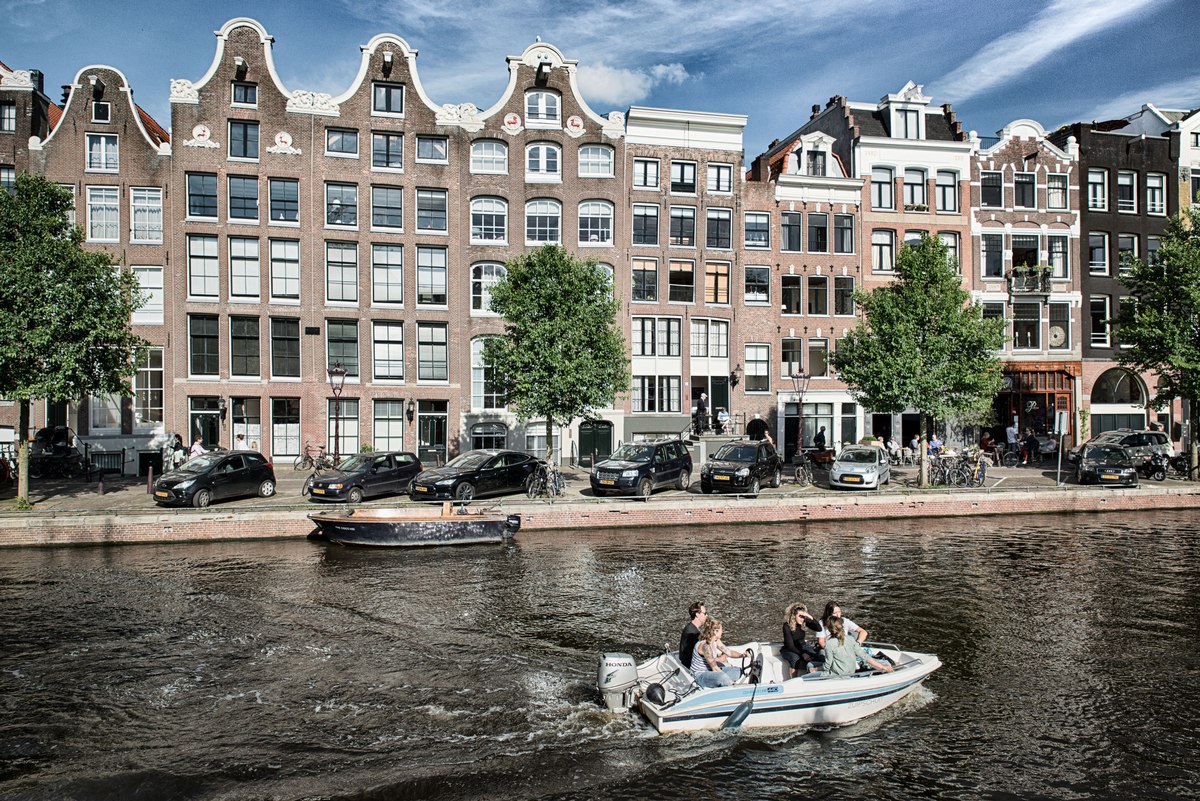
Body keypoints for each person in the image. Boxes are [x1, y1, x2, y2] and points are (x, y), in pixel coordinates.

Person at [821, 617, 893, 678]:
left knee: (810, 672)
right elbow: (864, 656)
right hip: (851, 673)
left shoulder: (829, 643)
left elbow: (827, 665)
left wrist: (816, 669)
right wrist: (882, 667)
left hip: (836, 675)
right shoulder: (850, 639)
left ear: (829, 629)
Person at [690, 617, 746, 688]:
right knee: (723, 677)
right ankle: (727, 685)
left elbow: (729, 652)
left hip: (710, 670)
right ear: (716, 631)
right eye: (721, 630)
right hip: (700, 675)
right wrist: (730, 682)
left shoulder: (716, 641)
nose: (722, 631)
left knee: (738, 671)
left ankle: (723, 682)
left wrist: (742, 655)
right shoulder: (705, 646)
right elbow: (715, 668)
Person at [781, 603, 822, 678]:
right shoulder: (786, 626)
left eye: (803, 617)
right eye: (800, 616)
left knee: (816, 655)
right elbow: (790, 646)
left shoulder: (804, 622)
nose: (802, 619)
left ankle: (814, 677)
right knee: (795, 658)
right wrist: (803, 654)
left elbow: (819, 628)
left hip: (802, 646)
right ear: (794, 616)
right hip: (789, 649)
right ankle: (794, 680)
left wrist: (809, 616)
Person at [678, 601, 707, 667]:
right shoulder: (693, 633)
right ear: (697, 614)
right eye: (705, 613)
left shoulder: (690, 627)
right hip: (691, 666)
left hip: (687, 663)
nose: (706, 616)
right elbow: (700, 652)